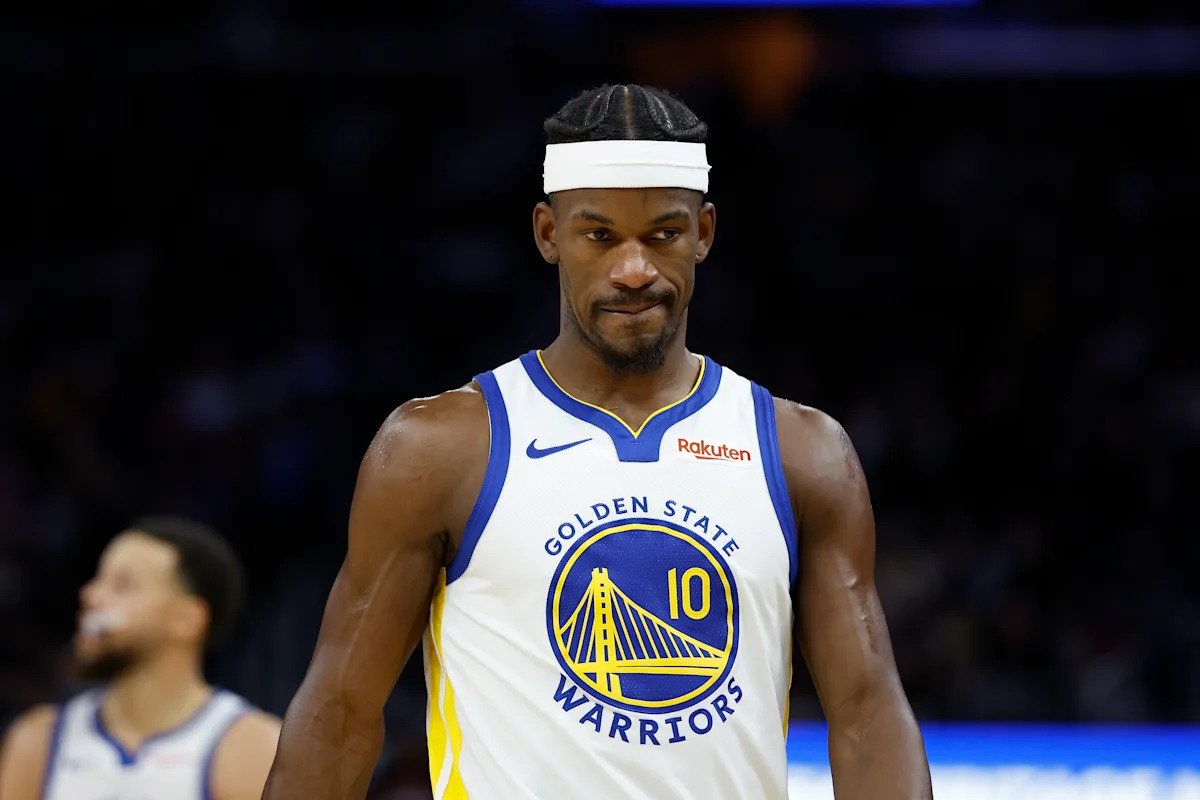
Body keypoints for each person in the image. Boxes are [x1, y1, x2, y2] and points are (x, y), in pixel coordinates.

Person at [263, 83, 932, 799]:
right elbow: (339, 715)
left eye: (664, 235)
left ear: (704, 233)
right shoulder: (441, 448)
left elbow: (867, 715)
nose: (634, 270)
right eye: (600, 236)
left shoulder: (803, 451)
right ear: (548, 235)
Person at [0, 515, 281, 800]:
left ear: (187, 619)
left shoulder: (253, 749)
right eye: (98, 580)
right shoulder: (38, 742)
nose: (91, 595)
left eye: (122, 586)